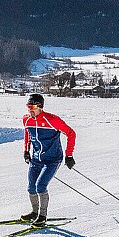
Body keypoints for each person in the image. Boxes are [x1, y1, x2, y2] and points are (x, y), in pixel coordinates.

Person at [20, 93, 76, 225]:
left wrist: (69, 155)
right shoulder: (26, 119)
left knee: (40, 186)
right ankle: (34, 212)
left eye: (33, 107)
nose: (30, 110)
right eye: (28, 107)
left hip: (52, 159)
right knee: (31, 187)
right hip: (36, 159)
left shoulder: (52, 120)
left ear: (40, 107)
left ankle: (42, 216)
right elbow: (27, 133)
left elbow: (71, 134)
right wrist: (26, 151)